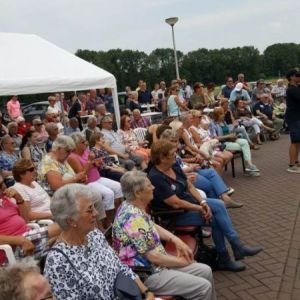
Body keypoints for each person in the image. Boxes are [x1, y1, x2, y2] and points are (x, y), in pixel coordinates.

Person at [148, 140, 263, 272]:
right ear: (162, 158)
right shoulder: (156, 177)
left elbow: (189, 186)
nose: (176, 156)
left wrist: (202, 202)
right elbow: (175, 203)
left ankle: (232, 250)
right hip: (176, 215)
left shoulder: (173, 166)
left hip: (190, 205)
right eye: (172, 154)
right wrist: (199, 207)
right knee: (217, 220)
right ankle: (231, 252)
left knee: (219, 205)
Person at [113, 171, 216, 300]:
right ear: (138, 193)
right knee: (203, 287)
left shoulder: (130, 206)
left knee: (205, 270)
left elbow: (152, 225)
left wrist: (175, 239)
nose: (153, 187)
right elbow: (153, 257)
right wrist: (181, 261)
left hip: (159, 265)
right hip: (147, 274)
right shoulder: (133, 218)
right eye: (149, 185)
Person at [44, 184, 155, 300]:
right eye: (89, 210)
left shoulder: (94, 235)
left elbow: (119, 266)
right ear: (71, 221)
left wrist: (147, 292)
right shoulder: (58, 262)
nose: (96, 213)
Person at [0, 174, 61, 265]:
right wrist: (20, 240)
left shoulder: (5, 199)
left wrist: (19, 198)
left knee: (67, 233)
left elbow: (25, 219)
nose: (4, 187)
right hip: (12, 248)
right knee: (67, 225)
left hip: (28, 237)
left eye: (3, 183)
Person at [68, 132, 123, 225]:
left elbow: (91, 163)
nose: (86, 143)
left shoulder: (86, 151)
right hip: (88, 182)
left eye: (85, 141)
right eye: (83, 142)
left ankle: (117, 217)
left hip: (97, 177)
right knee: (109, 194)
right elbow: (81, 173)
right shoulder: (72, 157)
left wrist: (95, 162)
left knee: (118, 186)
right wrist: (90, 161)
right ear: (75, 145)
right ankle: (107, 222)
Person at [209, 107, 260, 176]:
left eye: (223, 113)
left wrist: (234, 128)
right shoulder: (213, 124)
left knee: (244, 141)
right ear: (216, 115)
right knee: (244, 146)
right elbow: (215, 138)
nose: (223, 115)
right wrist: (228, 136)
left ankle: (249, 165)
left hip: (230, 140)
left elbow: (229, 131)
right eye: (221, 114)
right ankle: (248, 168)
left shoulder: (223, 121)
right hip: (222, 143)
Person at [285, 68, 300, 173]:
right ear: (291, 77)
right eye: (297, 75)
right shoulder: (291, 89)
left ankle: (295, 161)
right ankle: (291, 165)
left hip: (297, 117)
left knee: (298, 140)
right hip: (293, 117)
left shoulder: (296, 87)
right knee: (294, 141)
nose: (299, 77)